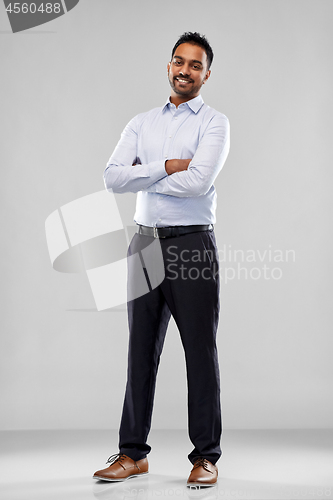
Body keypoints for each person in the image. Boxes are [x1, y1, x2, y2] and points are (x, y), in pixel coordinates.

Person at [93, 32, 230, 487]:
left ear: (206, 74)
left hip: (192, 245)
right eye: (178, 61)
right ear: (168, 66)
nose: (184, 70)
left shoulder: (214, 123)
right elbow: (113, 178)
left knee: (200, 352)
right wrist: (169, 166)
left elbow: (198, 184)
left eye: (195, 65)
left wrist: (145, 176)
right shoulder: (141, 123)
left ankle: (206, 456)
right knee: (140, 351)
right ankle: (133, 454)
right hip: (145, 244)